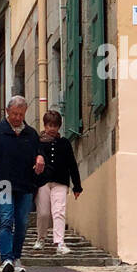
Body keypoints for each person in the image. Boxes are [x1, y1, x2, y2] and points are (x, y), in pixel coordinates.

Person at [0, 95, 45, 272]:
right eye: (14, 113)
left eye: (20, 114)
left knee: (22, 223)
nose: (17, 118)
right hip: (4, 184)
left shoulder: (31, 134)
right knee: (6, 219)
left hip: (25, 185)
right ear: (7, 112)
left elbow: (39, 152)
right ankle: (6, 258)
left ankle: (16, 258)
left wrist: (40, 158)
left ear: (25, 114)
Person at [33, 109, 82, 257]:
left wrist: (77, 185)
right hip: (43, 182)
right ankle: (41, 238)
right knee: (43, 213)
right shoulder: (38, 143)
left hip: (61, 181)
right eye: (49, 125)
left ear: (59, 126)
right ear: (45, 126)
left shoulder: (64, 143)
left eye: (55, 126)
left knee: (59, 211)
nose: (52, 129)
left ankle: (59, 242)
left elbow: (72, 164)